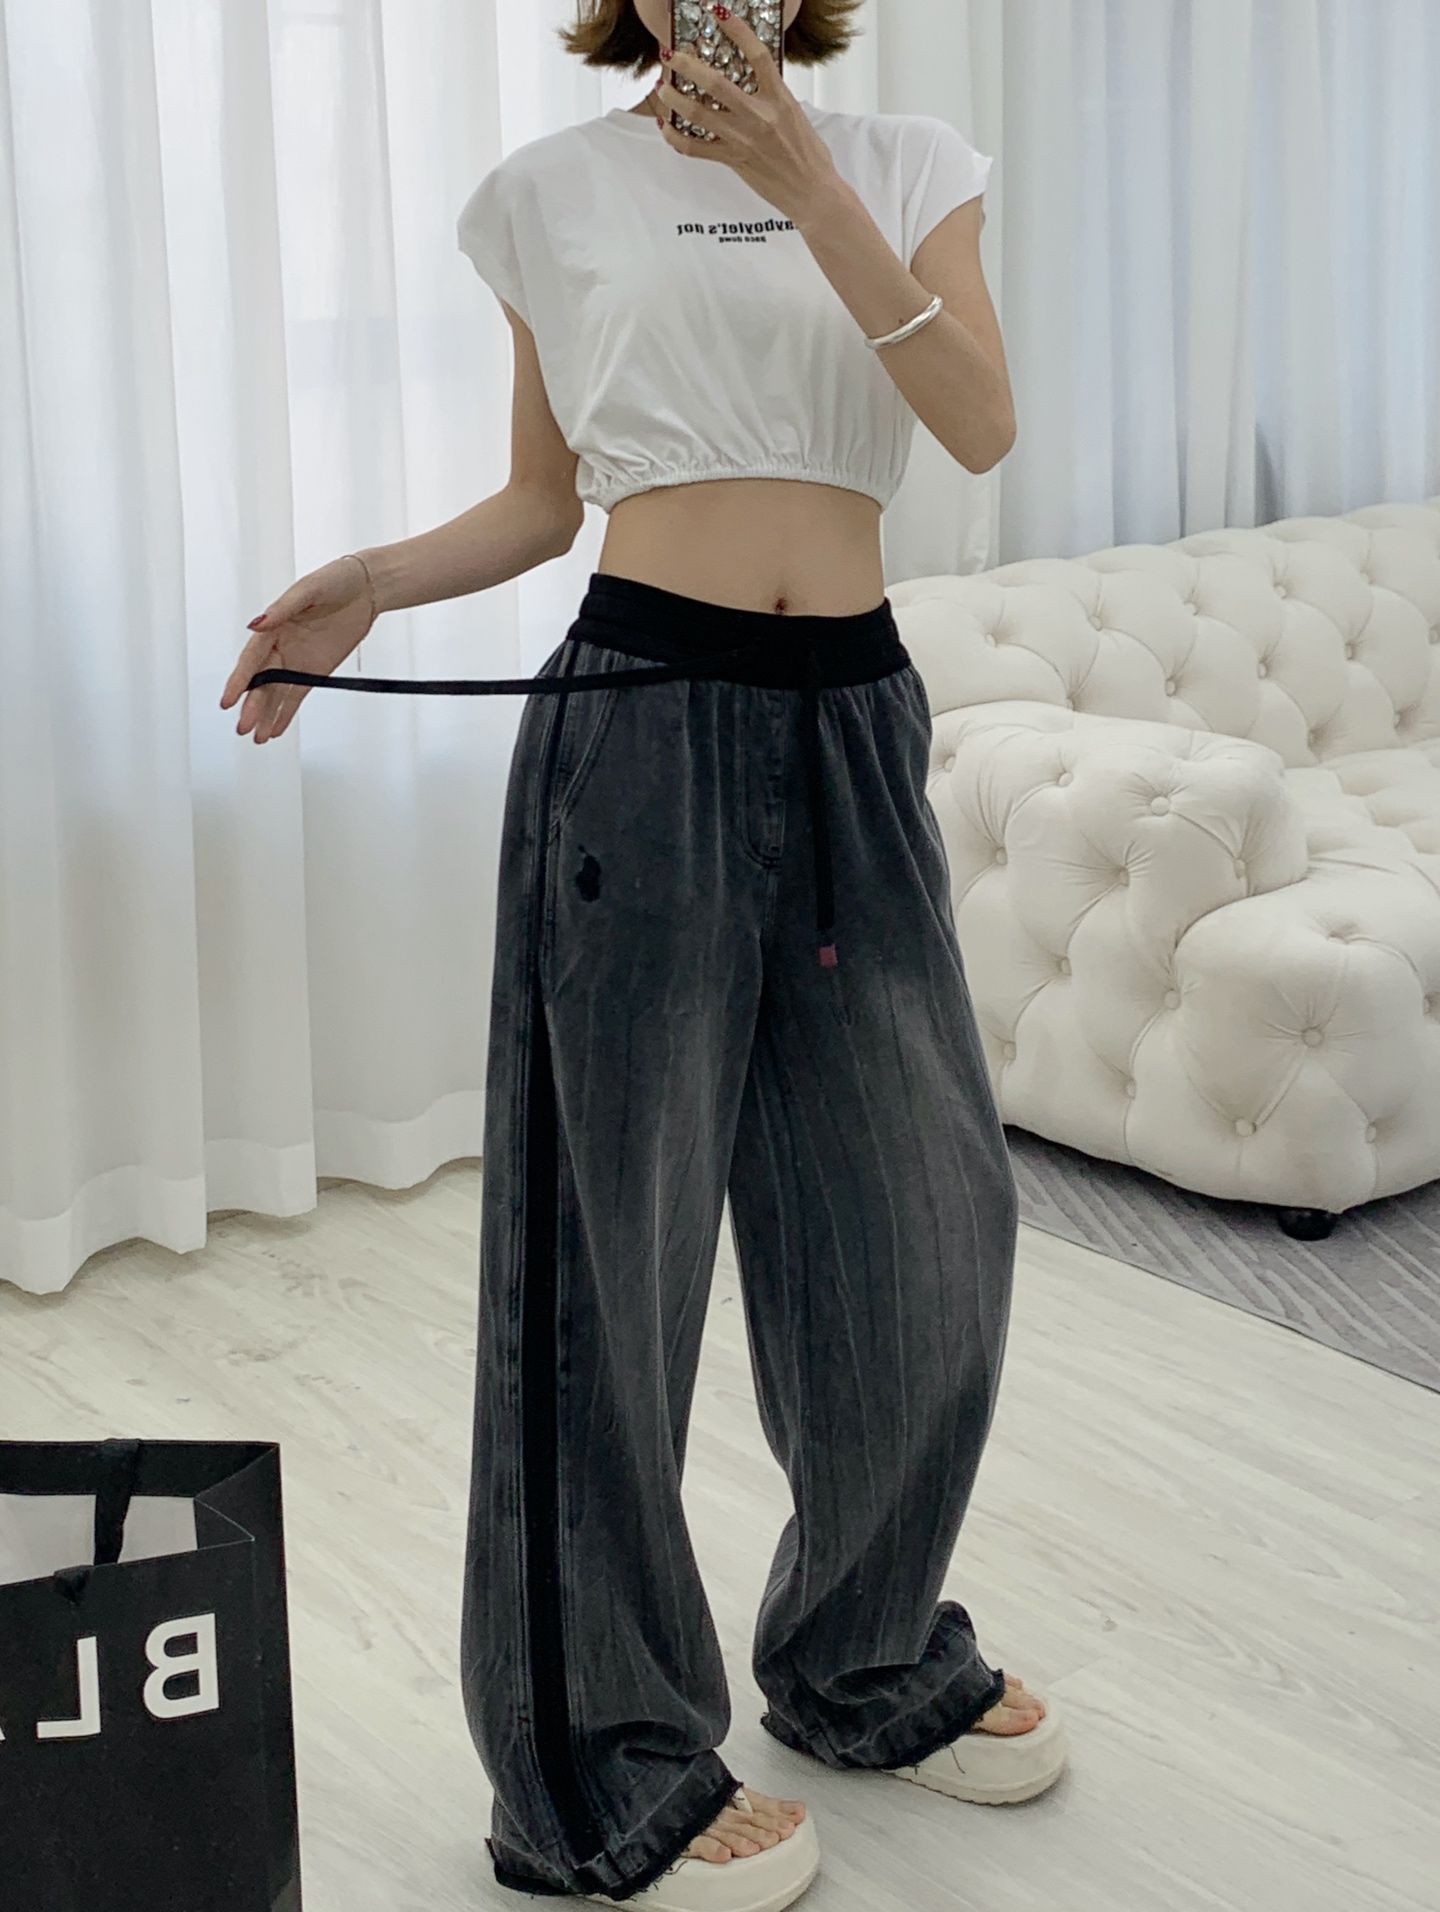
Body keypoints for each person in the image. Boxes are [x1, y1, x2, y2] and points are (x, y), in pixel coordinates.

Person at [222, 1, 1067, 1905]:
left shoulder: (911, 168)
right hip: (639, 723)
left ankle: (859, 1656)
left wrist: (802, 177)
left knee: (927, 1230)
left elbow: (980, 424)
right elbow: (548, 501)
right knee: (606, 1262)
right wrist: (370, 582)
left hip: (854, 720)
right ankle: (593, 1764)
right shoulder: (552, 190)